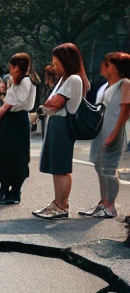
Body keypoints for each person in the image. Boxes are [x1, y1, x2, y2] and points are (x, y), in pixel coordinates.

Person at [34, 42, 88, 220]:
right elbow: (51, 103)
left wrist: (47, 105)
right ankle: (61, 204)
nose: (54, 66)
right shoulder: (66, 79)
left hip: (62, 124)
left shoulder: (73, 79)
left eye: (57, 62)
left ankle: (60, 205)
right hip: (57, 123)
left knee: (60, 168)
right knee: (60, 167)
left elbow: (54, 103)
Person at [80, 51, 130, 219]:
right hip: (101, 130)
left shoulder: (125, 84)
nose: (103, 65)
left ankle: (111, 206)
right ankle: (103, 202)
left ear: (117, 67)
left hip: (113, 130)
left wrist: (114, 133)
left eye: (108, 63)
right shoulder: (106, 86)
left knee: (108, 168)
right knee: (99, 166)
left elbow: (125, 110)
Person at [0, 53, 34, 205]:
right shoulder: (17, 81)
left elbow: (8, 105)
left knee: (16, 156)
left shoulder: (25, 82)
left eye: (12, 67)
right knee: (4, 154)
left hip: (16, 120)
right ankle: (4, 189)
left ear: (18, 67)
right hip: (12, 120)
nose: (10, 70)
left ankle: (15, 191)